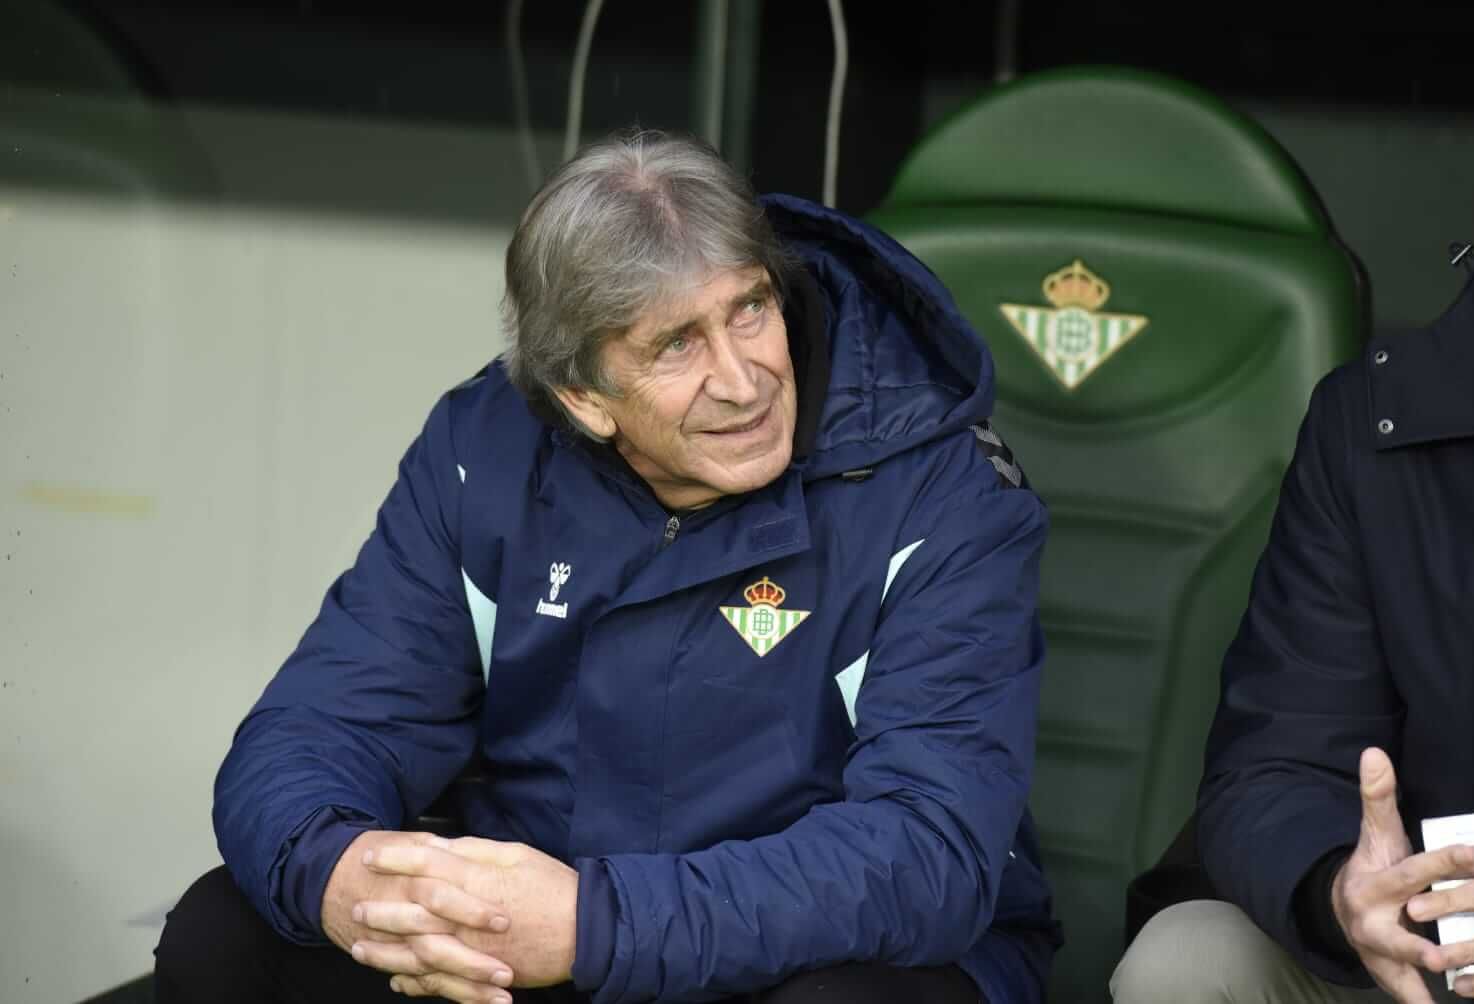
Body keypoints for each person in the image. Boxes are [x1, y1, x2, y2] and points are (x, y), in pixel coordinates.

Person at [153, 129, 1062, 1004]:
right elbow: (320, 726)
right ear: (584, 397)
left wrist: (596, 927)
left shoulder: (938, 487)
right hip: (541, 927)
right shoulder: (484, 450)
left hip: (803, 950)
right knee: (229, 933)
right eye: (676, 345)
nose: (744, 381)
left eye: (750, 308)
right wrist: (344, 877)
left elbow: (928, 853)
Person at [1111, 244, 1474, 1004]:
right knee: (1190, 960)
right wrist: (1341, 889)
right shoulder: (1377, 423)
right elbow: (1279, 759)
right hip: (1439, 954)